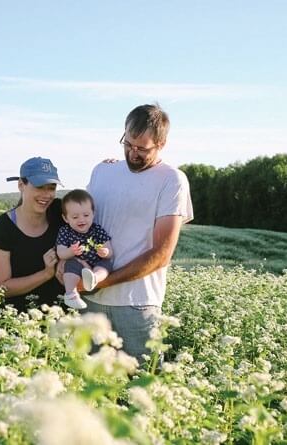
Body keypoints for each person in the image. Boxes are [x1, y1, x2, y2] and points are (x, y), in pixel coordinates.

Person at [84, 103, 193, 362]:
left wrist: (103, 282)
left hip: (137, 304)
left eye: (142, 149)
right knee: (89, 385)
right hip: (90, 303)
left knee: (143, 387)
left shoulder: (172, 180)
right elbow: (81, 225)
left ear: (161, 144)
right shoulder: (102, 171)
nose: (133, 153)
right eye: (127, 144)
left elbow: (161, 253)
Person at [0, 157, 65, 312]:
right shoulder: (2, 228)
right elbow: (1, 287)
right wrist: (46, 274)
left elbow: (87, 216)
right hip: (17, 322)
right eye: (40, 187)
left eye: (51, 187)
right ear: (21, 185)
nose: (47, 195)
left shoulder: (59, 212)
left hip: (62, 318)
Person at [56, 189, 113, 310]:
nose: (81, 220)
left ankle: (94, 278)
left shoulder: (97, 229)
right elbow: (60, 253)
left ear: (93, 214)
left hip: (96, 264)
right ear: (66, 218)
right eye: (75, 217)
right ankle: (71, 294)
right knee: (70, 265)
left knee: (105, 264)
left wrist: (105, 252)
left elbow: (109, 251)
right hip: (78, 268)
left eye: (86, 215)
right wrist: (71, 252)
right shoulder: (65, 231)